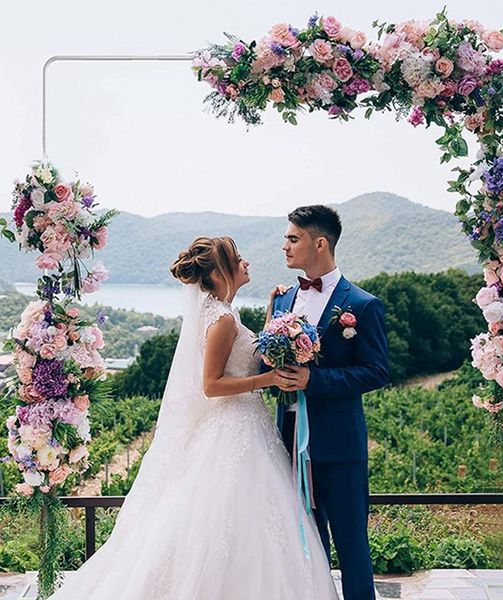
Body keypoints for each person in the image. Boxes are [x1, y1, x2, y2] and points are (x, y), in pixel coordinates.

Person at [47, 235, 339, 600]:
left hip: (246, 424)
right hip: (233, 425)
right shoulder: (221, 320)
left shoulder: (225, 312)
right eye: (238, 259)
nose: (246, 263)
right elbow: (211, 385)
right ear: (219, 272)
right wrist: (266, 380)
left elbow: (246, 353)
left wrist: (271, 315)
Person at [269, 205, 389, 600]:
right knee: (304, 545)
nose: (284, 245)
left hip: (339, 445)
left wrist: (313, 379)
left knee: (352, 544)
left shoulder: (363, 304)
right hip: (288, 442)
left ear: (319, 243)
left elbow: (376, 371)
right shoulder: (284, 301)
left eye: (293, 238)